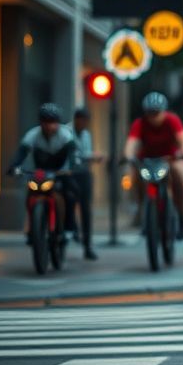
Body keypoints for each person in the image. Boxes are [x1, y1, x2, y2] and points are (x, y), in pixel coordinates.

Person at [6, 103, 81, 240]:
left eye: (53, 122)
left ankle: (70, 227)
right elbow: (21, 153)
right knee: (31, 193)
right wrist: (14, 167)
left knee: (70, 193)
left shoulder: (65, 135)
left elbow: (73, 154)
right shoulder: (32, 135)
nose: (49, 126)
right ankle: (31, 227)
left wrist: (72, 167)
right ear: (41, 122)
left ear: (58, 123)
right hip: (41, 172)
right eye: (46, 122)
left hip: (61, 172)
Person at [123, 91, 183, 239]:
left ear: (164, 111)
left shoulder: (172, 120)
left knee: (180, 173)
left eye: (156, 113)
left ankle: (182, 217)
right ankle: (143, 211)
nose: (153, 117)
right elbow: (131, 143)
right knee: (133, 175)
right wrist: (129, 156)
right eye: (150, 113)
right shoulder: (139, 123)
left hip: (170, 159)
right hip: (147, 160)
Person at [70, 107, 104, 260]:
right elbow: (77, 155)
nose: (84, 124)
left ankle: (87, 245)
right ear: (76, 119)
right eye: (82, 120)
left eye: (86, 121)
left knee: (85, 209)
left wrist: (92, 157)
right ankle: (72, 230)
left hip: (83, 173)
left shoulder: (86, 135)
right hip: (68, 174)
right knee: (69, 201)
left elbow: (85, 154)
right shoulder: (66, 132)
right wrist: (91, 156)